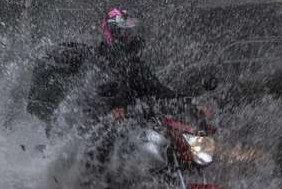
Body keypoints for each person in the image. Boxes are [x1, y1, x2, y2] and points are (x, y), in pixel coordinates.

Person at [27, 7, 174, 131]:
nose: (127, 37)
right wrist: (115, 107)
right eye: (122, 32)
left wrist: (187, 101)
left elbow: (157, 89)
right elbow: (95, 92)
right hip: (91, 128)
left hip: (129, 128)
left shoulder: (136, 66)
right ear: (111, 32)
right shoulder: (96, 60)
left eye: (129, 33)